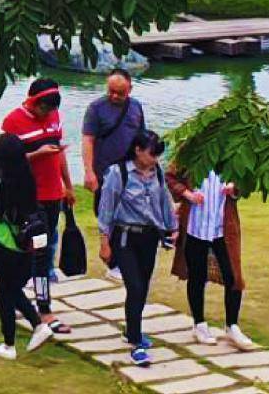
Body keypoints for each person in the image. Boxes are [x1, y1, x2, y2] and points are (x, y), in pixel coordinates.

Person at [96, 131, 177, 367]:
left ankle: (132, 329)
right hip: (125, 237)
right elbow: (106, 208)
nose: (155, 159)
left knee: (143, 287)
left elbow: (164, 200)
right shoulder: (118, 173)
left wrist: (172, 227)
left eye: (158, 155)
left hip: (149, 237)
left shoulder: (157, 173)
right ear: (138, 150)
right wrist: (104, 242)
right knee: (135, 285)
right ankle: (135, 342)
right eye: (152, 154)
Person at [0, 78, 72, 334]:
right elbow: (7, 161)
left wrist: (68, 186)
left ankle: (43, 308)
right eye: (44, 109)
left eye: (52, 110)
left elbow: (60, 153)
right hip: (29, 198)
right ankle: (19, 295)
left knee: (42, 254)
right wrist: (36, 155)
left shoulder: (54, 116)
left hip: (53, 196)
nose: (48, 114)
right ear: (33, 101)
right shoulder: (13, 122)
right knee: (30, 252)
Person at [0, 133, 56, 360]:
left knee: (6, 292)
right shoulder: (26, 177)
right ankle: (33, 328)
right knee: (12, 289)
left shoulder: (0, 181)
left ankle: (11, 342)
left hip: (5, 241)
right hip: (26, 244)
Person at [169, 166, 256, 349]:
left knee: (233, 276)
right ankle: (199, 324)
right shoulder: (191, 151)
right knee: (196, 277)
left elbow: (248, 180)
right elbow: (169, 178)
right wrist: (187, 194)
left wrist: (234, 189)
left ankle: (232, 325)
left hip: (222, 227)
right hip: (195, 226)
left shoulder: (234, 153)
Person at [82, 67, 148, 233]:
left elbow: (143, 139)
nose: (115, 96)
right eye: (111, 91)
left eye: (121, 92)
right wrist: (89, 172)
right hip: (105, 173)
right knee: (105, 215)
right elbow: (88, 140)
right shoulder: (95, 108)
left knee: (131, 215)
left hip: (131, 173)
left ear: (130, 89)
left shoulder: (136, 107)